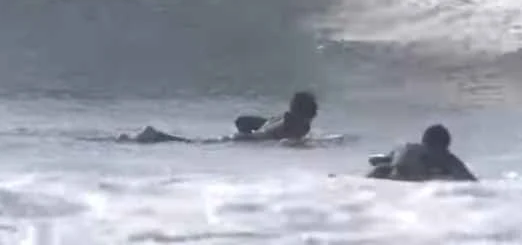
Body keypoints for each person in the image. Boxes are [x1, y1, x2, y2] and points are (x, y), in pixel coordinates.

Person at [119, 91, 319, 144]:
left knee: (195, 143)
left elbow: (241, 121)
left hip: (245, 140)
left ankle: (156, 136)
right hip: (247, 142)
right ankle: (156, 137)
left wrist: (263, 130)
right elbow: (293, 142)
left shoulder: (280, 118)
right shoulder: (299, 125)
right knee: (193, 144)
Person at [366, 124, 476, 182]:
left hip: (393, 174)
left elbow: (374, 160)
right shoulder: (445, 156)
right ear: (445, 144)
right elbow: (468, 179)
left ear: (424, 139)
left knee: (380, 170)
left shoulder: (406, 148)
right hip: (415, 180)